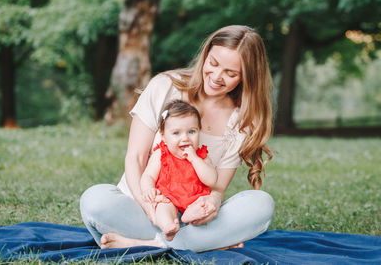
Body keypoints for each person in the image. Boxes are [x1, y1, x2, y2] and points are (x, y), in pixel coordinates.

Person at [80, 25, 275, 252]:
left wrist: (211, 204)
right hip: (144, 209)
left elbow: (218, 187)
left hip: (195, 219)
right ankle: (202, 244)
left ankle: (146, 244)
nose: (216, 77)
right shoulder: (165, 86)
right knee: (94, 199)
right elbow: (136, 157)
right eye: (213, 63)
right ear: (205, 56)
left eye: (231, 74)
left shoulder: (242, 121)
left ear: (247, 78)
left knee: (262, 204)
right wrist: (150, 208)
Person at [140, 100, 218, 241]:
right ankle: (168, 227)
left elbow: (212, 180)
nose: (185, 138)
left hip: (194, 198)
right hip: (169, 197)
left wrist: (194, 159)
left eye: (192, 132)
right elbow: (148, 176)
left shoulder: (202, 157)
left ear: (199, 131)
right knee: (162, 206)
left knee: (206, 203)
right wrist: (148, 189)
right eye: (176, 133)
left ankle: (190, 217)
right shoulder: (161, 154)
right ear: (163, 135)